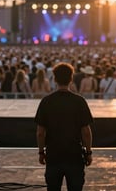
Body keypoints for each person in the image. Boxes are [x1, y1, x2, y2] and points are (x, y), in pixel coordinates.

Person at [35, 62, 93, 191]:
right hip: (74, 155)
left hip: (54, 154)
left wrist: (41, 152)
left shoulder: (46, 101)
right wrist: (88, 152)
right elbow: (86, 132)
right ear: (71, 79)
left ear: (54, 79)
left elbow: (40, 132)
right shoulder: (79, 101)